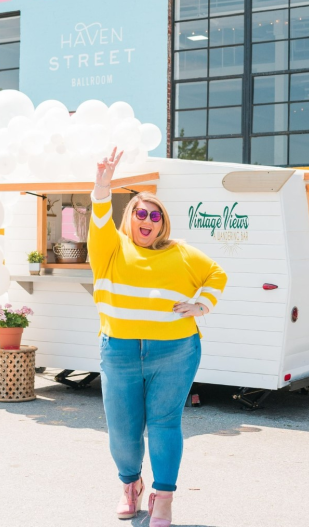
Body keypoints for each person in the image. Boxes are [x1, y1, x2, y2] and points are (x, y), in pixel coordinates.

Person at [89, 147, 227, 526]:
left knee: (165, 425)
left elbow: (217, 274)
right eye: (140, 213)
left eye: (155, 215)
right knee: (122, 429)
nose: (147, 220)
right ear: (129, 219)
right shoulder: (111, 249)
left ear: (162, 224)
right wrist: (103, 187)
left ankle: (163, 499)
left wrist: (203, 303)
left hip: (176, 350)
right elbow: (100, 219)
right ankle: (130, 485)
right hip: (119, 349)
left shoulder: (180, 252)